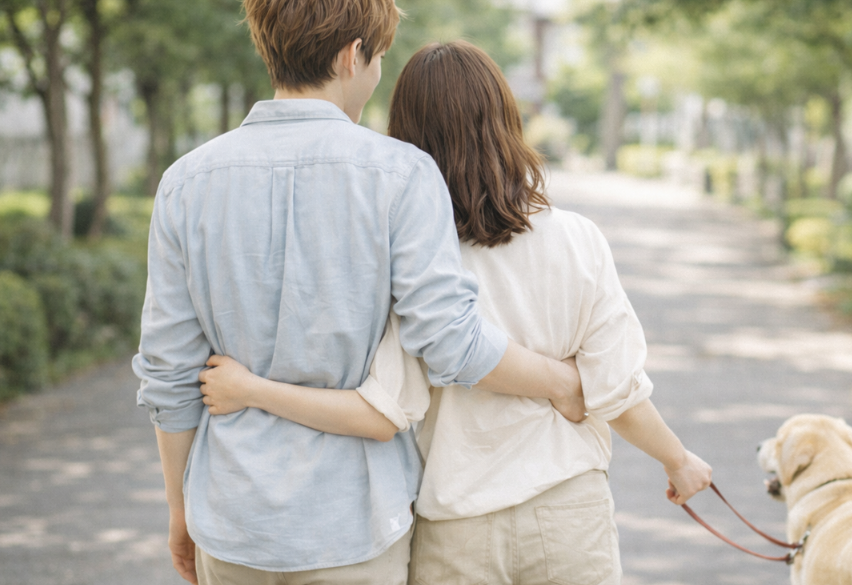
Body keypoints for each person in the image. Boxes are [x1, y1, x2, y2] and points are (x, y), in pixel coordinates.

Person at [132, 0, 584, 585]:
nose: (376, 75)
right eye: (377, 59)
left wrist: (180, 512)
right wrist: (560, 382)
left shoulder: (185, 182)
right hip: (353, 526)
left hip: (230, 521)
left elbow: (169, 372)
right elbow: (448, 341)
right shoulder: (399, 173)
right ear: (352, 55)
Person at [201, 40, 713, 584]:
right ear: (506, 121)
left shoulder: (408, 260)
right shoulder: (576, 239)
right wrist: (676, 459)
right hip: (568, 510)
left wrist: (251, 390)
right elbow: (616, 388)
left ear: (408, 138)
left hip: (455, 526)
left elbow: (387, 405)